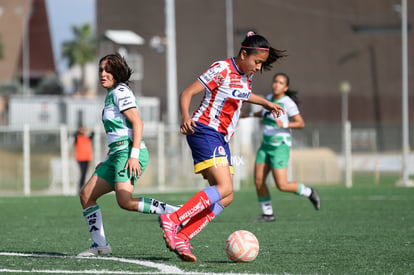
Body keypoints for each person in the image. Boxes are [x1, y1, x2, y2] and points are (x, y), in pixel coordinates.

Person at [158, 31, 286, 262]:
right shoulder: (222, 68)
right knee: (224, 187)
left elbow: (243, 95)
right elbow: (187, 92)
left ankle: (183, 236)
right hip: (205, 130)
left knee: (226, 197)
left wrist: (266, 103)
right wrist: (185, 116)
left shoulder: (246, 76)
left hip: (220, 138)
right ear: (244, 54)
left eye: (261, 64)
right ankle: (173, 219)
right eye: (256, 62)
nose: (258, 67)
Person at [77, 53, 180, 257]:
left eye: (107, 70)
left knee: (125, 201)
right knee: (86, 195)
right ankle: (100, 246)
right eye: (100, 70)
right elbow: (118, 133)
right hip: (116, 155)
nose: (102, 74)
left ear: (118, 73)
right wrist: (107, 160)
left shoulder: (120, 91)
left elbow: (137, 123)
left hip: (129, 153)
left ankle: (176, 212)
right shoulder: (111, 95)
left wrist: (133, 155)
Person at [244, 73, 320, 222]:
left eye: (280, 83)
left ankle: (309, 192)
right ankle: (268, 214)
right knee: (259, 180)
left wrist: (284, 124)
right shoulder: (269, 98)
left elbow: (300, 123)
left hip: (280, 147)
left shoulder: (288, 103)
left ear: (285, 87)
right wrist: (249, 115)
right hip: (265, 145)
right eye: (275, 82)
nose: (276, 84)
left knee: (282, 185)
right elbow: (264, 112)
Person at [74, 127, 94, 192]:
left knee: (85, 173)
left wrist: (89, 129)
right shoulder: (77, 138)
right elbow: (74, 134)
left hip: (87, 158)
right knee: (82, 173)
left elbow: (93, 134)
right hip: (80, 159)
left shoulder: (87, 138)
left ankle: (83, 187)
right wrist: (79, 130)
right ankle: (80, 188)